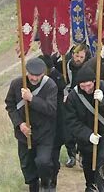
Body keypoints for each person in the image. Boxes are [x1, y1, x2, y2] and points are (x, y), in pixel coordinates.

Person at [64, 65, 104, 192]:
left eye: (89, 85)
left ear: (94, 81)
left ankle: (101, 188)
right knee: (89, 167)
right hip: (87, 137)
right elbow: (71, 121)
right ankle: (91, 187)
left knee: (103, 160)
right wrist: (87, 135)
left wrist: (103, 100)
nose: (86, 89)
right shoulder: (73, 97)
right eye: (82, 86)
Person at [5, 57, 58, 192]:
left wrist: (32, 99)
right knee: (27, 166)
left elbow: (51, 109)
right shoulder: (16, 84)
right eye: (31, 75)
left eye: (37, 75)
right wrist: (20, 124)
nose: (34, 78)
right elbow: (10, 106)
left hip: (44, 133)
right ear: (26, 72)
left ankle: (46, 184)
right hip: (24, 134)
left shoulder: (50, 85)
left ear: (43, 74)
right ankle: (33, 187)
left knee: (43, 162)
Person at [61, 43, 91, 168]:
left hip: (83, 100)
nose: (78, 59)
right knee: (68, 128)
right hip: (68, 99)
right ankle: (71, 154)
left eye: (81, 57)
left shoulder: (89, 68)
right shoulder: (66, 64)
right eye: (76, 55)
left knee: (82, 127)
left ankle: (83, 155)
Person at [39, 55, 66, 190]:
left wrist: (54, 71)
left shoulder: (55, 77)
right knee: (42, 160)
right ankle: (44, 181)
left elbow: (63, 85)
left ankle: (52, 181)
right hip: (40, 126)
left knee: (54, 157)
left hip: (56, 124)